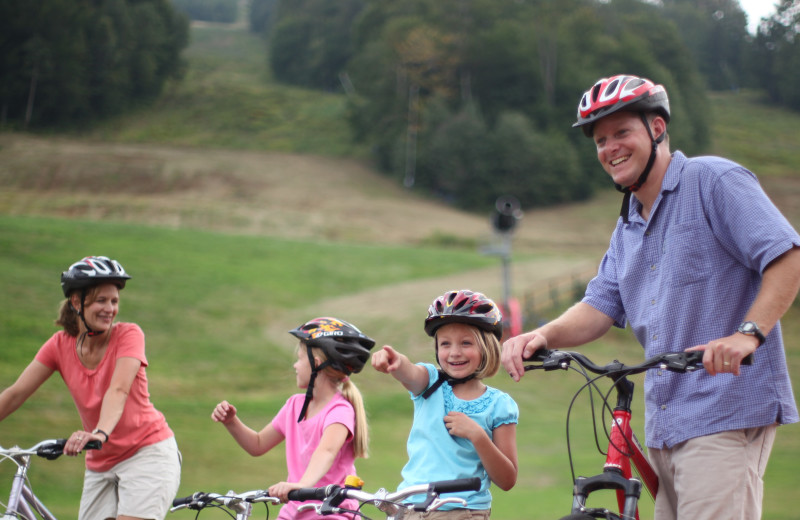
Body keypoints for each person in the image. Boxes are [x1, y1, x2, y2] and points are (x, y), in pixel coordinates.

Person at [502, 74, 800, 520]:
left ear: (657, 128)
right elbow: (599, 307)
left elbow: (787, 257)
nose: (610, 148)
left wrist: (747, 335)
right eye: (600, 140)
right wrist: (542, 335)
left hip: (725, 412)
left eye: (622, 132)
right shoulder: (627, 227)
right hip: (664, 424)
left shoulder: (712, 180)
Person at [0, 255, 182, 520]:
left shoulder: (129, 335)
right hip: (100, 463)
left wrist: (99, 432)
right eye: (101, 300)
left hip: (147, 454)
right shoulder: (59, 345)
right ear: (77, 302)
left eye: (114, 301)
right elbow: (15, 394)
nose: (110, 308)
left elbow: (118, 390)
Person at [372, 289, 519, 519]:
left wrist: (478, 436)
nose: (454, 352)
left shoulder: (499, 405)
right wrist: (395, 361)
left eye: (466, 343)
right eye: (445, 344)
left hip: (460, 511)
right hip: (409, 508)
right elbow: (409, 371)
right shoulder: (429, 383)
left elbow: (507, 479)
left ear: (487, 346)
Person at [211, 317, 374, 520]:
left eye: (299, 358)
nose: (295, 365)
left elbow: (326, 451)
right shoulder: (294, 406)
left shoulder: (340, 411)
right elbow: (258, 444)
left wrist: (302, 485)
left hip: (330, 512)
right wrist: (231, 422)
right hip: (294, 512)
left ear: (316, 363)